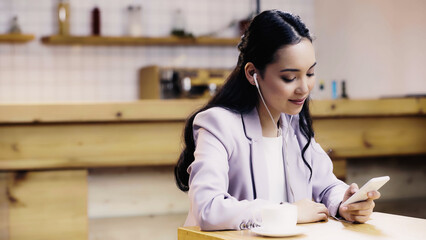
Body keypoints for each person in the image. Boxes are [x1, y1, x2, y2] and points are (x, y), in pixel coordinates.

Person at [174, 9, 381, 231]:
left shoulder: (292, 125)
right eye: (290, 77)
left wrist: (345, 203)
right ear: (253, 73)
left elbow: (327, 185)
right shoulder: (218, 125)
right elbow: (208, 209)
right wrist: (289, 212)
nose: (304, 88)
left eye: (309, 74)